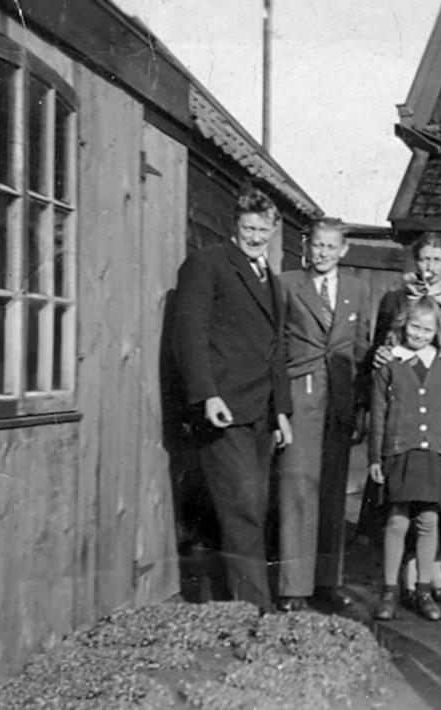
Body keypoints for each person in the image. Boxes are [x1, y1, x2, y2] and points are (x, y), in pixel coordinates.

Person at [172, 186, 293, 613]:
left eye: (263, 229)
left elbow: (275, 350)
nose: (256, 236)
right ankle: (256, 608)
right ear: (234, 225)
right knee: (243, 508)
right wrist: (205, 394)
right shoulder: (208, 264)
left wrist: (281, 411)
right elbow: (190, 332)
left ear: (274, 230)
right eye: (248, 227)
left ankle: (242, 600)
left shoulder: (273, 282)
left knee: (254, 507)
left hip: (260, 412)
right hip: (223, 410)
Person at [358, 231, 441, 609]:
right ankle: (400, 582)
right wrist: (381, 356)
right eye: (424, 259)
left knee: (438, 501)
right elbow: (380, 346)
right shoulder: (395, 299)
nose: (429, 267)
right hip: (403, 406)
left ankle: (432, 575)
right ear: (415, 261)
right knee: (401, 503)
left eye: (437, 260)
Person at [275, 217, 371, 612]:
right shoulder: (286, 284)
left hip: (341, 400)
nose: (323, 253)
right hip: (302, 395)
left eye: (331, 247)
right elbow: (276, 347)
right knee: (297, 488)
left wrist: (361, 406)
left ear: (343, 250)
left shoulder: (358, 290)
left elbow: (362, 349)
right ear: (306, 245)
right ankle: (293, 586)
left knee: (333, 494)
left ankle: (327, 583)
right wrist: (279, 407)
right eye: (318, 245)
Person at [368, 296, 441, 622]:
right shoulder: (388, 365)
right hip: (400, 451)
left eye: (428, 329)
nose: (420, 334)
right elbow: (379, 416)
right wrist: (375, 457)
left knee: (429, 520)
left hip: (435, 453)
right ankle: (389, 592)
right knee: (397, 521)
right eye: (414, 326)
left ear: (437, 332)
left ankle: (424, 590)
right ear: (403, 325)